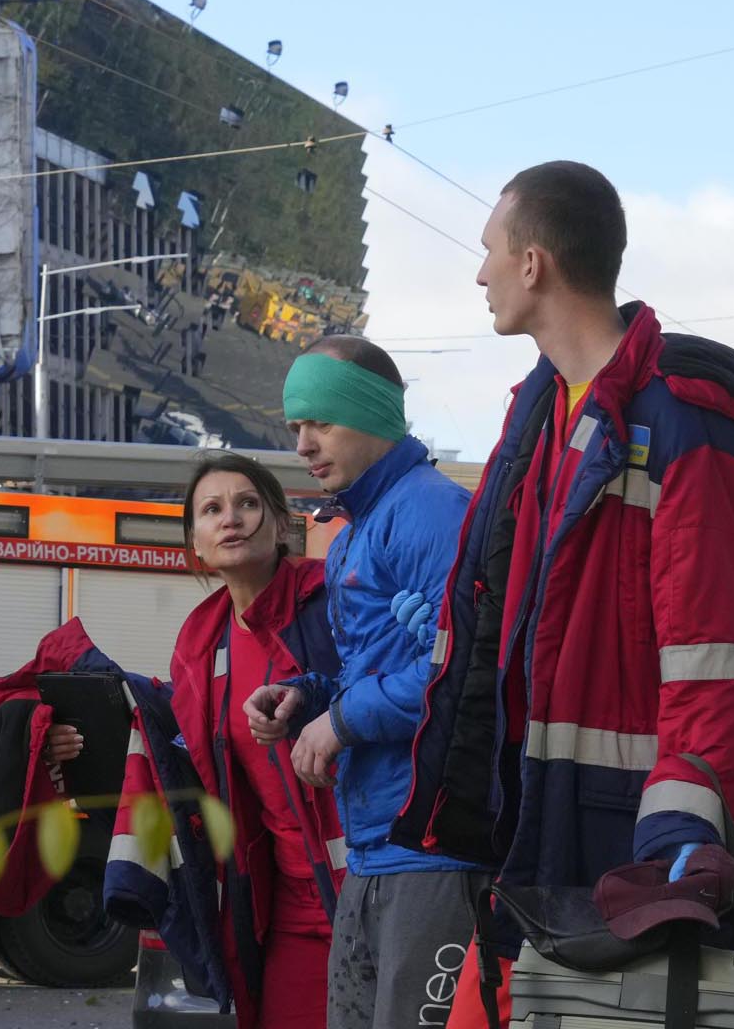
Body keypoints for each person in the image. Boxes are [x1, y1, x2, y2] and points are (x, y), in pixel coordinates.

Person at [387, 161, 734, 1028]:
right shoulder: (542, 415)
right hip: (546, 839)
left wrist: (677, 846)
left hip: (639, 866)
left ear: (534, 263)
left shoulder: (686, 427)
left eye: (488, 252)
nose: (479, 274)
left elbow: (715, 666)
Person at [240, 335, 487, 1029]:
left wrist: (341, 723)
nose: (305, 444)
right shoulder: (352, 531)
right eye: (295, 427)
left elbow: (464, 673)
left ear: (375, 414)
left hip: (431, 848)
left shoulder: (431, 511)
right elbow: (374, 666)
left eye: (321, 421)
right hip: (377, 846)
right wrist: (308, 696)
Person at [57, 452, 343, 1029]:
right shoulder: (199, 637)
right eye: (211, 510)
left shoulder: (330, 599)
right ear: (196, 542)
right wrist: (72, 741)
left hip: (365, 885)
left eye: (246, 503)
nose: (230, 519)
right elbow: (175, 751)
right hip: (282, 901)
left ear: (283, 523)